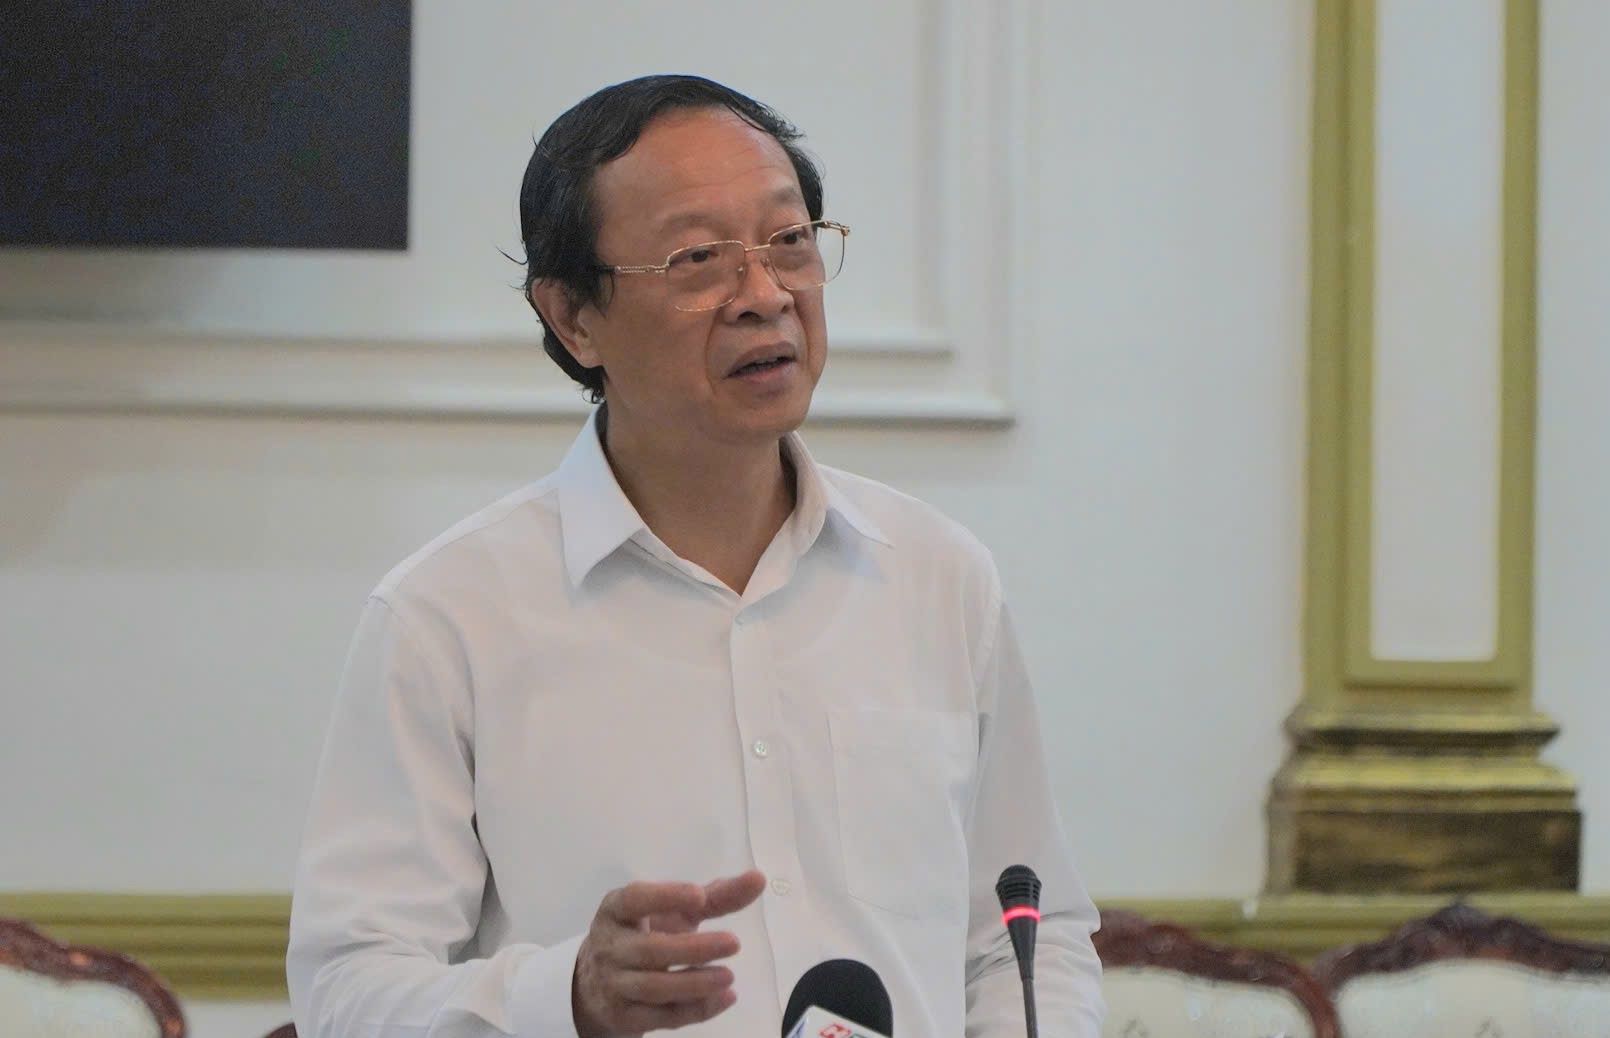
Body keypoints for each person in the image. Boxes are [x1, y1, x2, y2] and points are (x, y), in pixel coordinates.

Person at [287, 74, 1104, 1038]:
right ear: (572, 317)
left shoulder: (939, 577)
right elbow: (349, 989)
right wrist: (570, 999)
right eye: (697, 258)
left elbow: (1026, 929)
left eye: (790, 242)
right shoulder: (448, 615)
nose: (765, 296)